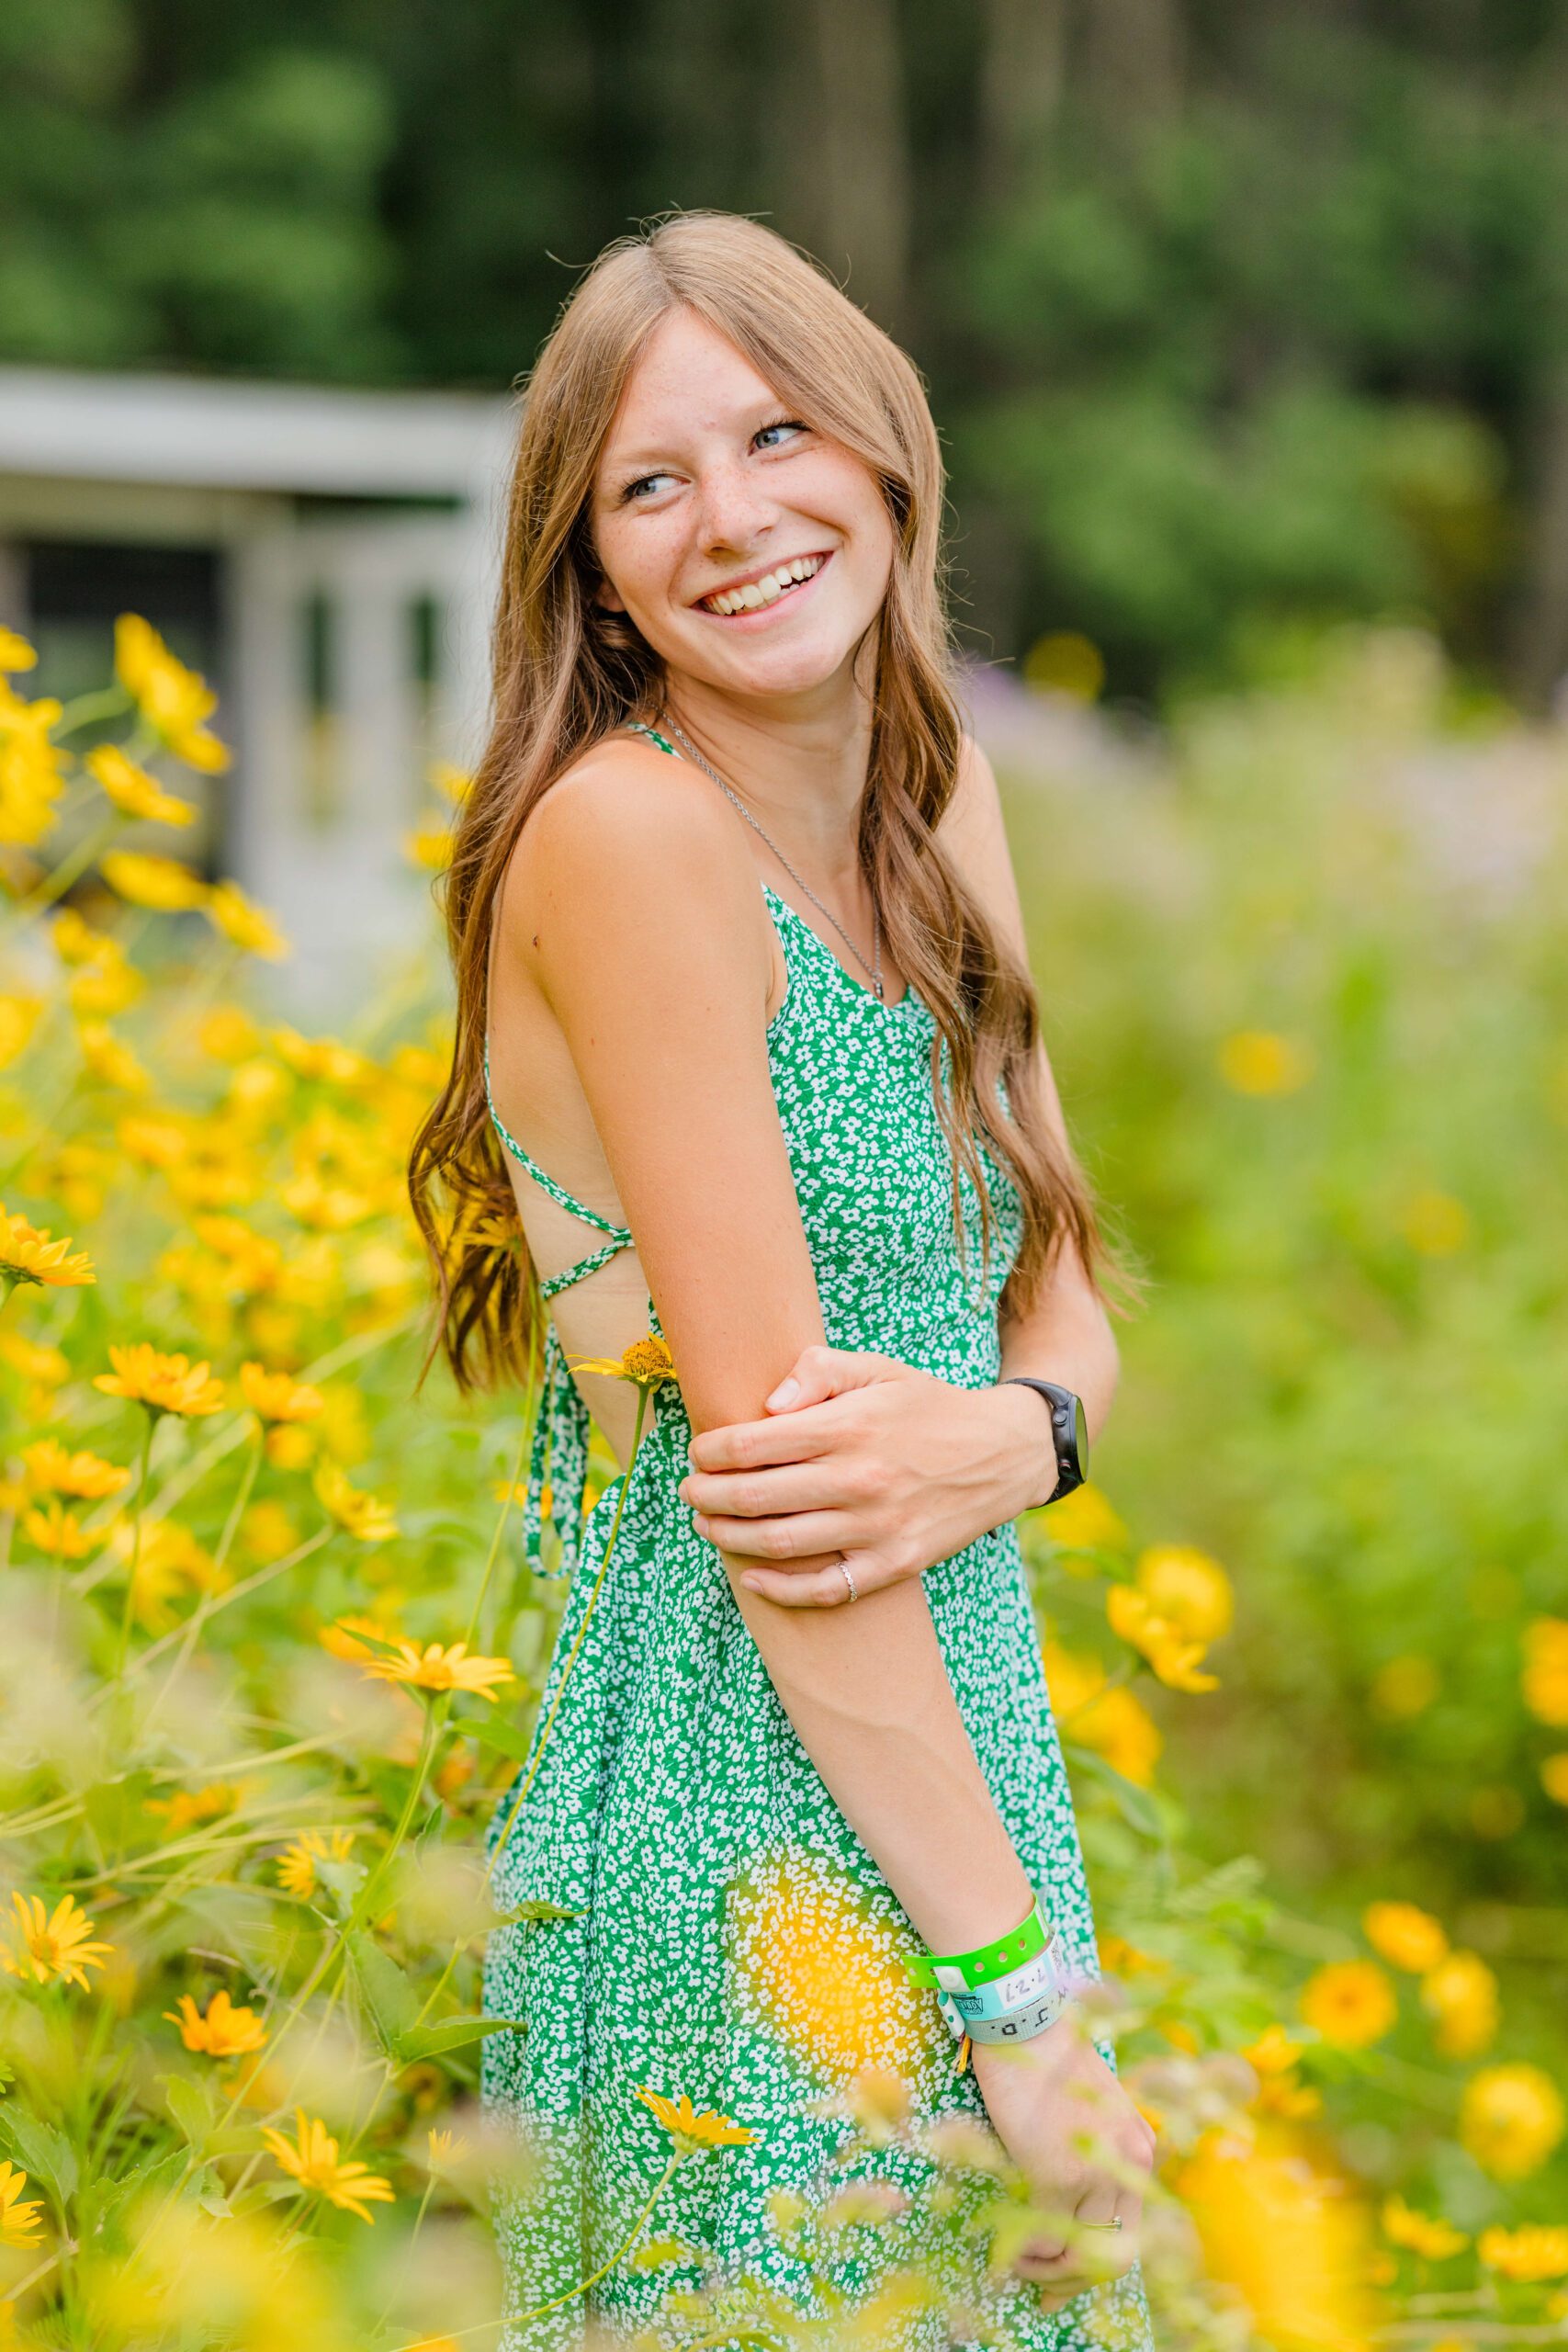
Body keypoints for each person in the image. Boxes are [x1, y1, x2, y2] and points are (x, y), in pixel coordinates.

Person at [411, 211, 1154, 2351]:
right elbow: (779, 1503)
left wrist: (1015, 1441)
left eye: (774, 432)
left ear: (883, 448)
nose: (731, 516)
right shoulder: (627, 840)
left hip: (960, 1758)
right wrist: (1013, 1998)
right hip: (754, 1803)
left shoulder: (941, 800)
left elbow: (1060, 1294)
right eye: (651, 482)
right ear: (592, 564)